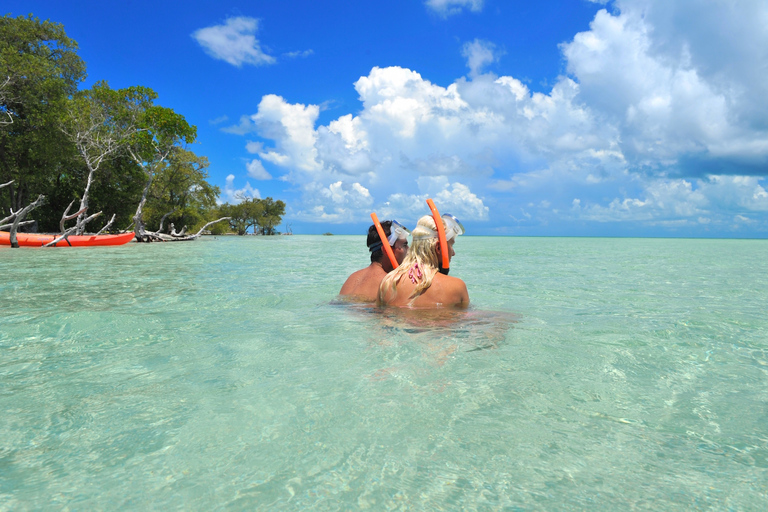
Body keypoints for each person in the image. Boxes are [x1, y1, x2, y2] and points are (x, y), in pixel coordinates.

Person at [378, 214, 469, 308]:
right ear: (438, 247)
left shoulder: (387, 283)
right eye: (451, 245)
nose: (453, 253)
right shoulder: (456, 287)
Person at [339, 220, 410, 302]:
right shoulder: (390, 284)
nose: (409, 249)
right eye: (404, 245)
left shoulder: (353, 277)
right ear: (387, 250)